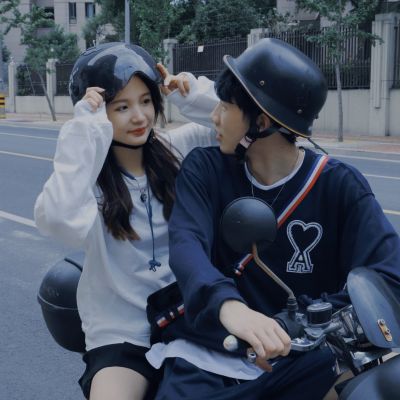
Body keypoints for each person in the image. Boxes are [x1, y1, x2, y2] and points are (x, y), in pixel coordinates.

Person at [145, 38, 400, 399]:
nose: (214, 117)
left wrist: (295, 323)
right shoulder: (205, 169)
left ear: (261, 123)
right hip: (211, 350)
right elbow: (187, 246)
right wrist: (228, 306)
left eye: (225, 107)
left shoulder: (338, 186)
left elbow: (388, 277)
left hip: (301, 356)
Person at [34, 42, 217, 400]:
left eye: (146, 101)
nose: (139, 117)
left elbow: (240, 127)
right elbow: (58, 220)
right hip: (122, 333)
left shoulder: (177, 150)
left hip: (190, 318)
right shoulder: (90, 179)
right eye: (121, 106)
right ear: (98, 113)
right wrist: (85, 132)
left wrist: (193, 96)